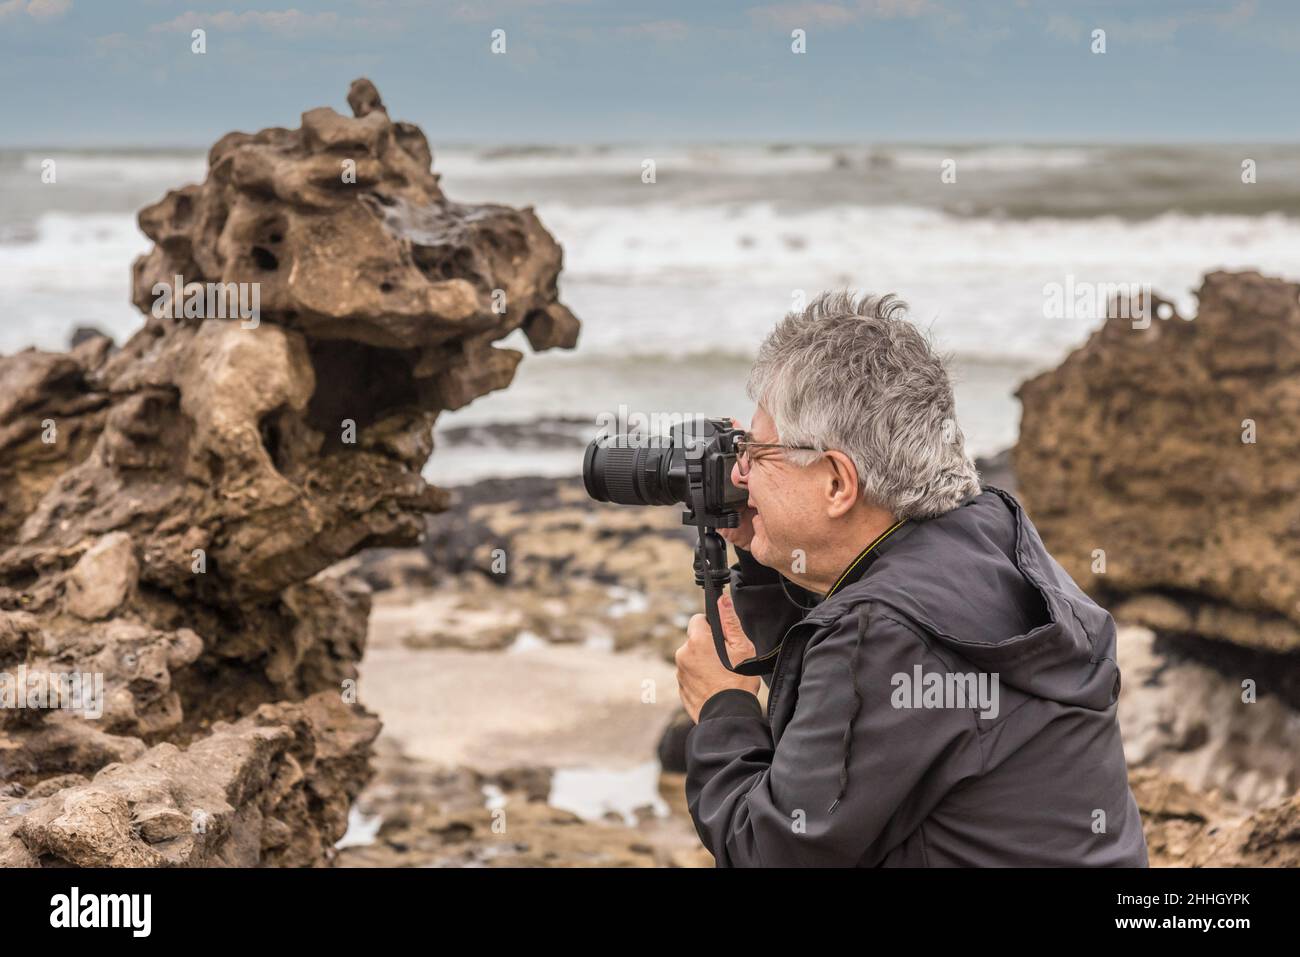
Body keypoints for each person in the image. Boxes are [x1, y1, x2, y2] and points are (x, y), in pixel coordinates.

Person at [674, 291, 1148, 867]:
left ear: (836, 484)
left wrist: (723, 708)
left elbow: (771, 850)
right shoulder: (991, 534)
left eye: (758, 451)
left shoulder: (882, 634)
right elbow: (821, 740)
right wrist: (766, 557)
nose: (740, 473)